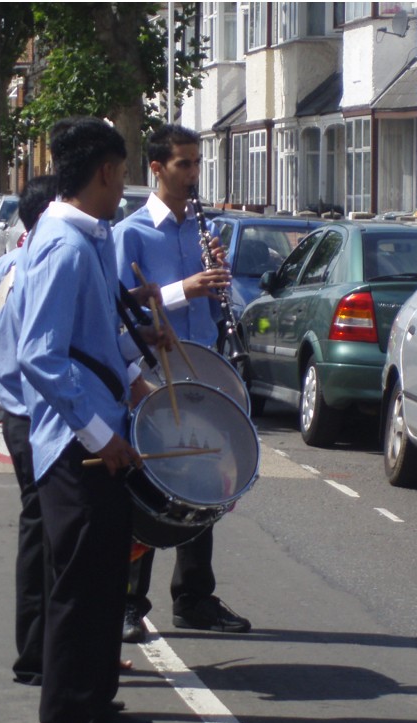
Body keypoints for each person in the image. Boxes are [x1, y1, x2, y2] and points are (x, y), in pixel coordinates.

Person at [15, 117, 171, 723]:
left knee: (104, 591)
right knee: (80, 597)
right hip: (76, 451)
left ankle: (93, 717)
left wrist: (135, 368)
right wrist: (101, 435)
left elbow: (92, 339)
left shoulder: (86, 239)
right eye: (122, 171)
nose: (125, 184)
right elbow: (39, 355)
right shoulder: (64, 246)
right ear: (105, 171)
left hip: (98, 441)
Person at [113, 123, 252, 642]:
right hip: (152, 373)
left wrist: (216, 283)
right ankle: (129, 601)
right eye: (184, 164)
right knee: (152, 486)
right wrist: (183, 288)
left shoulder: (200, 229)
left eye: (197, 163)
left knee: (204, 481)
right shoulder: (130, 233)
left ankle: (194, 597)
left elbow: (213, 307)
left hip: (201, 366)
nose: (194, 174)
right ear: (157, 168)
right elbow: (120, 312)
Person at [0, 175, 59, 687]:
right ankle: (44, 655)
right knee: (53, 533)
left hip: (18, 413)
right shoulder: (44, 266)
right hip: (47, 415)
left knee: (38, 527)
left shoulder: (5, 267)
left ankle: (41, 651)